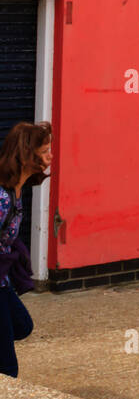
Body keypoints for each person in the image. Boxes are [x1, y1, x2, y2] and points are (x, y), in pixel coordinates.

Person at [0, 121, 52, 378]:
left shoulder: (18, 190)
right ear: (26, 157)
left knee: (22, 325)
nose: (50, 156)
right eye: (44, 152)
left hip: (2, 279)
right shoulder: (2, 198)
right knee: (8, 368)